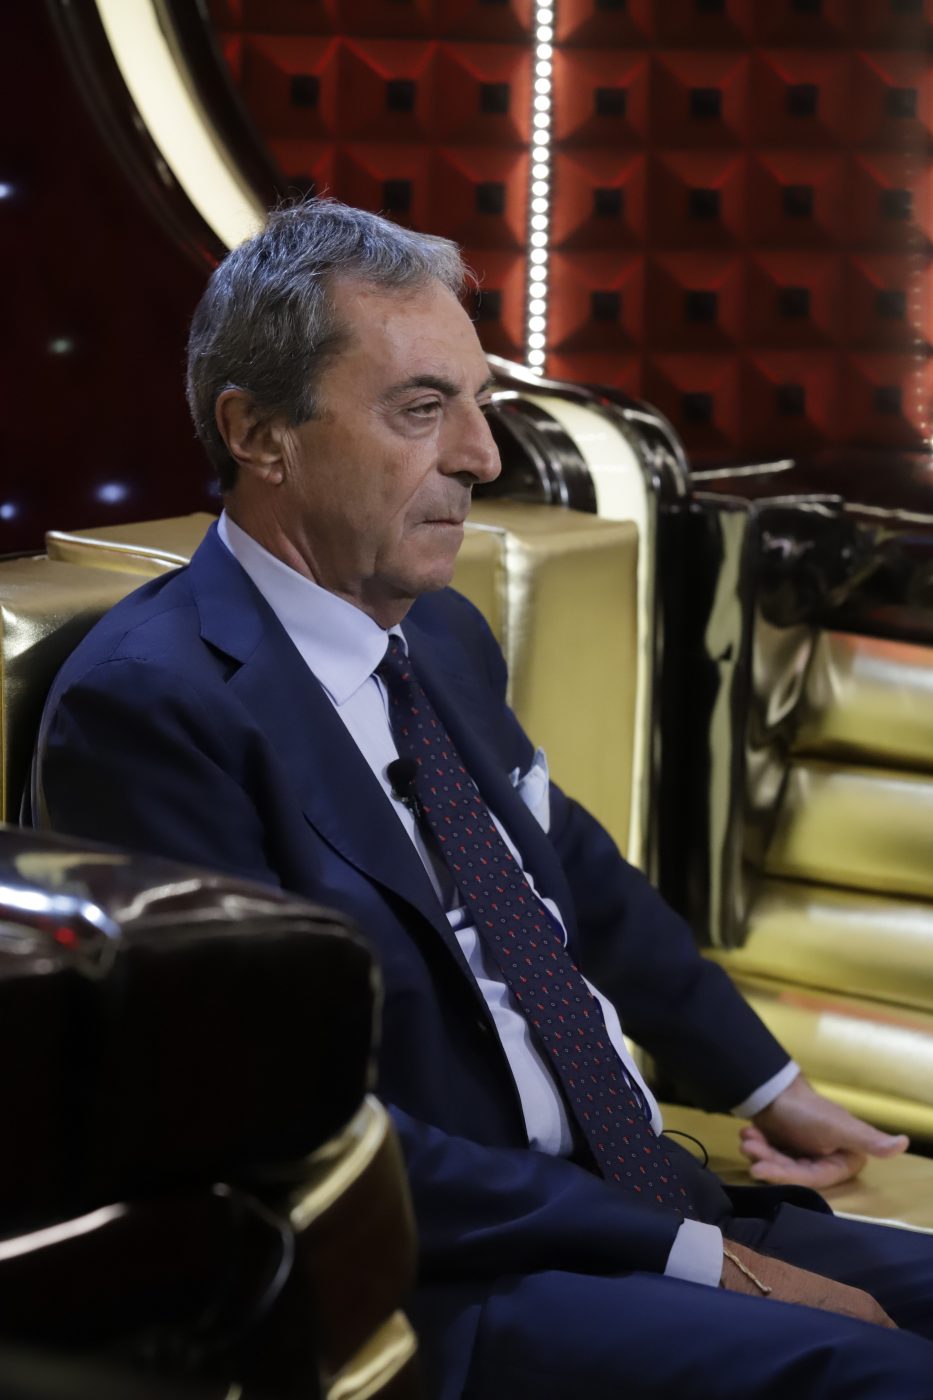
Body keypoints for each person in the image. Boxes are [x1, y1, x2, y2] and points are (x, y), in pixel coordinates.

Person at [29, 199, 933, 1398]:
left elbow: (578, 874)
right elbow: (285, 1120)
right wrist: (694, 1257)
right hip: (450, 1277)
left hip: (641, 1199)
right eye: (421, 409)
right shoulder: (150, 707)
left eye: (479, 402)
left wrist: (771, 1085)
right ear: (259, 433)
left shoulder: (442, 633)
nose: (482, 455)